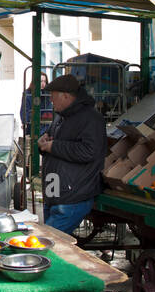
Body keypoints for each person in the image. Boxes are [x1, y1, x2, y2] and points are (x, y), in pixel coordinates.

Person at [37, 74, 107, 238]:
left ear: (66, 96)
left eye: (53, 97)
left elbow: (89, 151)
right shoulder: (61, 116)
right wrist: (42, 142)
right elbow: (51, 138)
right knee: (51, 244)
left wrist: (53, 146)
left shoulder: (91, 118)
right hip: (54, 192)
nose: (51, 101)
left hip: (72, 196)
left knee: (48, 243)